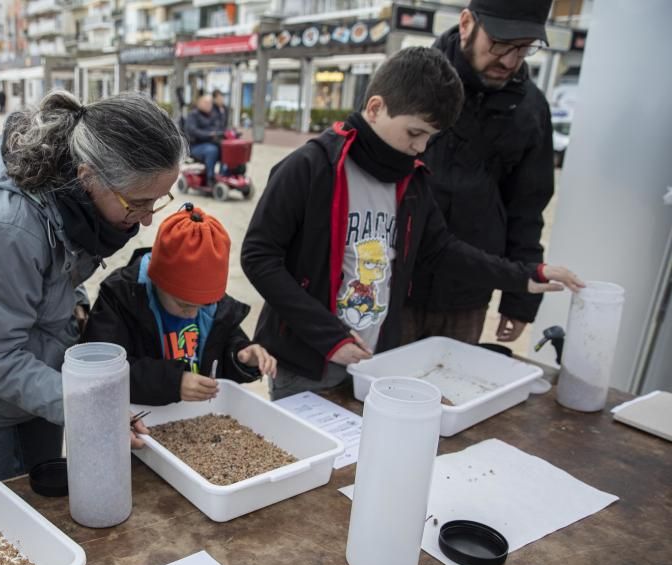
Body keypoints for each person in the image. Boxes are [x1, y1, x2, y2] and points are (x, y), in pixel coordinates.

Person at [241, 47, 582, 400]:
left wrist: (524, 275)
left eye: (429, 138)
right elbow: (258, 257)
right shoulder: (309, 167)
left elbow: (442, 250)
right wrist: (329, 338)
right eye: (414, 133)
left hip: (376, 361)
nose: (420, 147)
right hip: (304, 363)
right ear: (375, 108)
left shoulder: (413, 181)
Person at [0, 90, 185, 479]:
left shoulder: (78, 208)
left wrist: (77, 304)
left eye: (159, 199)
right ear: (87, 178)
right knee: (5, 512)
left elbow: (59, 273)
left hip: (44, 381)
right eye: (138, 202)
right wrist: (91, 408)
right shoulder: (3, 231)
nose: (148, 219)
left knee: (45, 486)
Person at [404, 0, 555, 345]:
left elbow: (527, 210)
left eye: (524, 48)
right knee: (375, 392)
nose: (509, 61)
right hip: (393, 282)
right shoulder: (412, 82)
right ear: (467, 23)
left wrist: (521, 301)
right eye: (500, 44)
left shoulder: (530, 109)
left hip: (468, 295)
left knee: (451, 389)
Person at [82, 204, 276, 405]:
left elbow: (222, 348)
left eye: (203, 305)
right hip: (138, 418)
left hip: (194, 419)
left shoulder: (212, 303)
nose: (193, 314)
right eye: (184, 305)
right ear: (156, 281)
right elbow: (102, 371)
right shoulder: (121, 297)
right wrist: (173, 383)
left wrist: (241, 355)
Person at [184, 95, 222, 187]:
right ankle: (210, 178)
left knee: (226, 148)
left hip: (211, 143)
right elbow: (193, 131)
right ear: (199, 103)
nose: (209, 105)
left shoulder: (213, 115)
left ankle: (224, 175)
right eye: (206, 103)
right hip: (196, 146)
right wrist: (209, 135)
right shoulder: (193, 115)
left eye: (210, 103)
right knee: (212, 150)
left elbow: (218, 128)